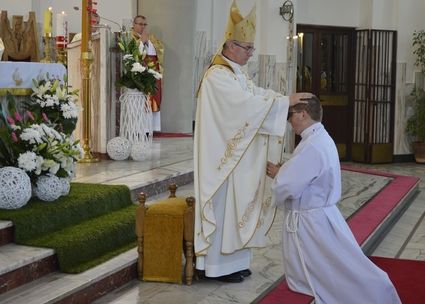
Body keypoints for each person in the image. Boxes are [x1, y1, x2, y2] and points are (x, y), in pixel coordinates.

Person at [193, 0, 312, 284]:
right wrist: (285, 103)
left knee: (239, 210)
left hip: (238, 158)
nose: (250, 53)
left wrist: (282, 102)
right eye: (247, 48)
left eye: (251, 48)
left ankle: (235, 261)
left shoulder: (236, 73)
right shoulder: (217, 76)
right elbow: (244, 107)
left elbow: (256, 95)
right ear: (230, 45)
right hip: (223, 161)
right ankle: (216, 267)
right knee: (225, 210)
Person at [267, 96, 402, 303]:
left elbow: (290, 185)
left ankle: (377, 290)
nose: (289, 121)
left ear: (303, 114)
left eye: (290, 115)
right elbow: (302, 173)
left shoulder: (312, 145)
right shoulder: (320, 137)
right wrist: (285, 171)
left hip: (311, 221)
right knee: (340, 262)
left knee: (336, 268)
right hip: (321, 215)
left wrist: (278, 173)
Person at [131, 15, 164, 131]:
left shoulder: (151, 38)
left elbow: (158, 52)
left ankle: (149, 128)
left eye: (144, 24)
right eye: (140, 24)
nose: (142, 27)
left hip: (151, 72)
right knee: (140, 101)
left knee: (152, 97)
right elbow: (131, 53)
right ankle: (138, 129)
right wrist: (142, 42)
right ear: (133, 25)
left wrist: (148, 43)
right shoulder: (129, 37)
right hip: (137, 76)